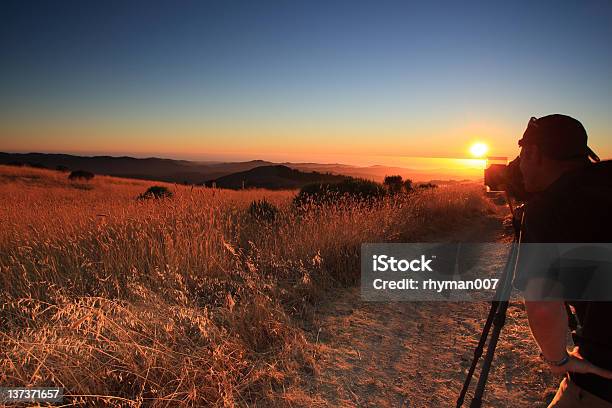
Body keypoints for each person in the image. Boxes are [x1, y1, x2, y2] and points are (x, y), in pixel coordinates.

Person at [513, 114, 612, 407]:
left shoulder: (548, 209)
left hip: (603, 375)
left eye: (521, 156)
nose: (519, 166)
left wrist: (558, 360)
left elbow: (543, 306)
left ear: (532, 153)